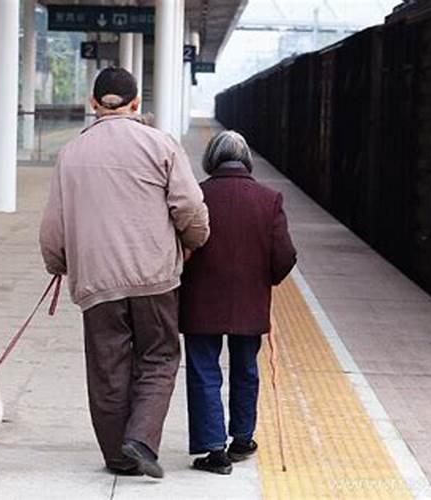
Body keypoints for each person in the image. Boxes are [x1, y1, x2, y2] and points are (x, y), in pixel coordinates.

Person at [39, 67, 210, 478]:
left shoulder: (72, 153)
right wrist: (192, 242)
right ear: (136, 104)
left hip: (97, 282)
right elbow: (190, 209)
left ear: (93, 104)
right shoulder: (160, 145)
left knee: (107, 367)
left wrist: (58, 263)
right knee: (159, 356)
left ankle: (118, 457)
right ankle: (142, 439)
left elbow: (52, 227)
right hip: (155, 276)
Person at [179, 130, 297, 474]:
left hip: (201, 302)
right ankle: (242, 439)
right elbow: (285, 255)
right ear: (245, 160)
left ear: (212, 160)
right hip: (250, 302)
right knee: (246, 370)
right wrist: (265, 280)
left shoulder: (198, 196)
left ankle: (214, 451)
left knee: (204, 372)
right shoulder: (269, 198)